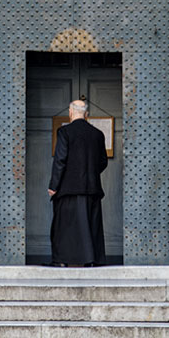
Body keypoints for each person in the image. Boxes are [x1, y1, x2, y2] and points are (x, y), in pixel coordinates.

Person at [48, 99, 108, 266]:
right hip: (92, 188)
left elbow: (60, 160)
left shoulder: (64, 132)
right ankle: (91, 260)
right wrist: (90, 173)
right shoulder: (98, 134)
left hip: (68, 189)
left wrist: (54, 186)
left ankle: (62, 260)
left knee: (66, 227)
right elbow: (103, 161)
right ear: (86, 114)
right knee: (91, 226)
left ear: (70, 112)